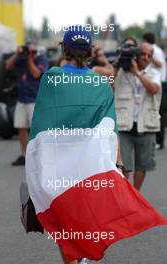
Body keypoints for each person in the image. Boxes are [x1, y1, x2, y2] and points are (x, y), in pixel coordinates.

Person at [26, 26, 167, 264]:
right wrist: (119, 164)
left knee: (63, 213)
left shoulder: (51, 78)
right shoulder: (101, 84)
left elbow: (41, 124)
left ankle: (73, 258)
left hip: (57, 163)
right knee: (85, 210)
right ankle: (83, 254)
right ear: (90, 50)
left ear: (65, 49)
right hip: (88, 165)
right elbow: (110, 129)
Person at [114, 42, 162, 190]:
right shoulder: (121, 72)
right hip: (124, 125)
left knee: (142, 166)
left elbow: (153, 89)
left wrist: (137, 73)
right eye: (143, 54)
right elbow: (108, 83)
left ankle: (136, 196)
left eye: (150, 55)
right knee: (124, 166)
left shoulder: (155, 74)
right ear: (136, 55)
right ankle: (125, 198)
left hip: (146, 125)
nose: (146, 58)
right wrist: (116, 65)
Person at [5, 41, 49, 166]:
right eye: (29, 51)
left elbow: (36, 74)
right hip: (22, 99)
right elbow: (8, 66)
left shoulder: (41, 59)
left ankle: (38, 156)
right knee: (21, 128)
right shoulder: (20, 60)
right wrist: (17, 53)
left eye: (33, 51)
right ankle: (24, 155)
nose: (31, 54)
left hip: (35, 99)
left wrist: (29, 59)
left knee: (35, 129)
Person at [142, 32, 167, 149]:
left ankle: (159, 140)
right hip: (155, 80)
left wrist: (149, 58)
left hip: (159, 82)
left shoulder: (154, 50)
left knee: (159, 112)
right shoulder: (155, 49)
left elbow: (160, 63)